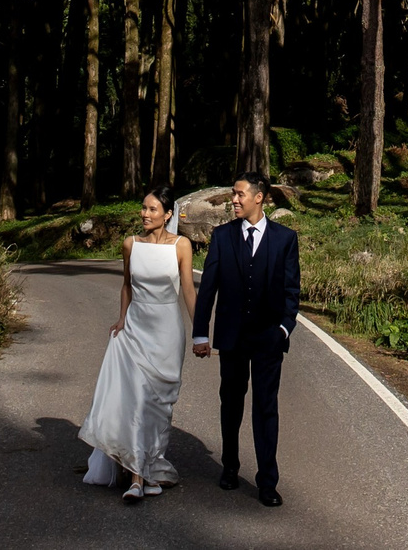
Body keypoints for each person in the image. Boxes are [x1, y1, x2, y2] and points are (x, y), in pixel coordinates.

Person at [78, 189, 196, 502]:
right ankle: (136, 477)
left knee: (159, 406)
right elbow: (127, 285)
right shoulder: (131, 244)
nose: (145, 214)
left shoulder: (181, 246)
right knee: (135, 401)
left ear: (167, 214)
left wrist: (201, 332)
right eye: (143, 208)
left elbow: (188, 290)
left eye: (152, 209)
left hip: (167, 332)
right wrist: (120, 320)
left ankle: (150, 467)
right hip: (135, 330)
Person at [189, 177, 301, 507]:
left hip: (269, 340)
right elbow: (207, 288)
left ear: (259, 198)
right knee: (231, 404)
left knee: (266, 409)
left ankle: (267, 481)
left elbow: (291, 292)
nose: (234, 200)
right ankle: (229, 466)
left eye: (240, 195)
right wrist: (200, 333)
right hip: (232, 338)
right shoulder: (222, 236)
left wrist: (283, 330)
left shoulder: (285, 239)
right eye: (234, 195)